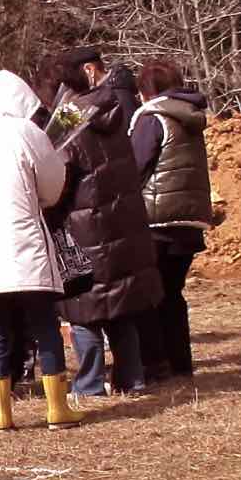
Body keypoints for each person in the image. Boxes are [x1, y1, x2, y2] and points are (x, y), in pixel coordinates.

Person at [0, 70, 75, 430]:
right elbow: (52, 186)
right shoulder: (26, 133)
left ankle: (1, 414)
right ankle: (56, 409)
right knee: (43, 322)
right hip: (24, 245)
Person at [54, 70, 164, 402]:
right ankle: (132, 378)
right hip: (119, 222)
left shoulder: (69, 118)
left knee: (84, 309)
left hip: (84, 223)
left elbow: (59, 171)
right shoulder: (118, 111)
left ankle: (88, 382)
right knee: (120, 305)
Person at [132, 59, 213, 381]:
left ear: (145, 91)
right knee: (173, 294)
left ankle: (154, 364)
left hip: (156, 220)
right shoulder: (190, 118)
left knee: (149, 296)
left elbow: (136, 166)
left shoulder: (152, 119)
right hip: (189, 221)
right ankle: (180, 363)